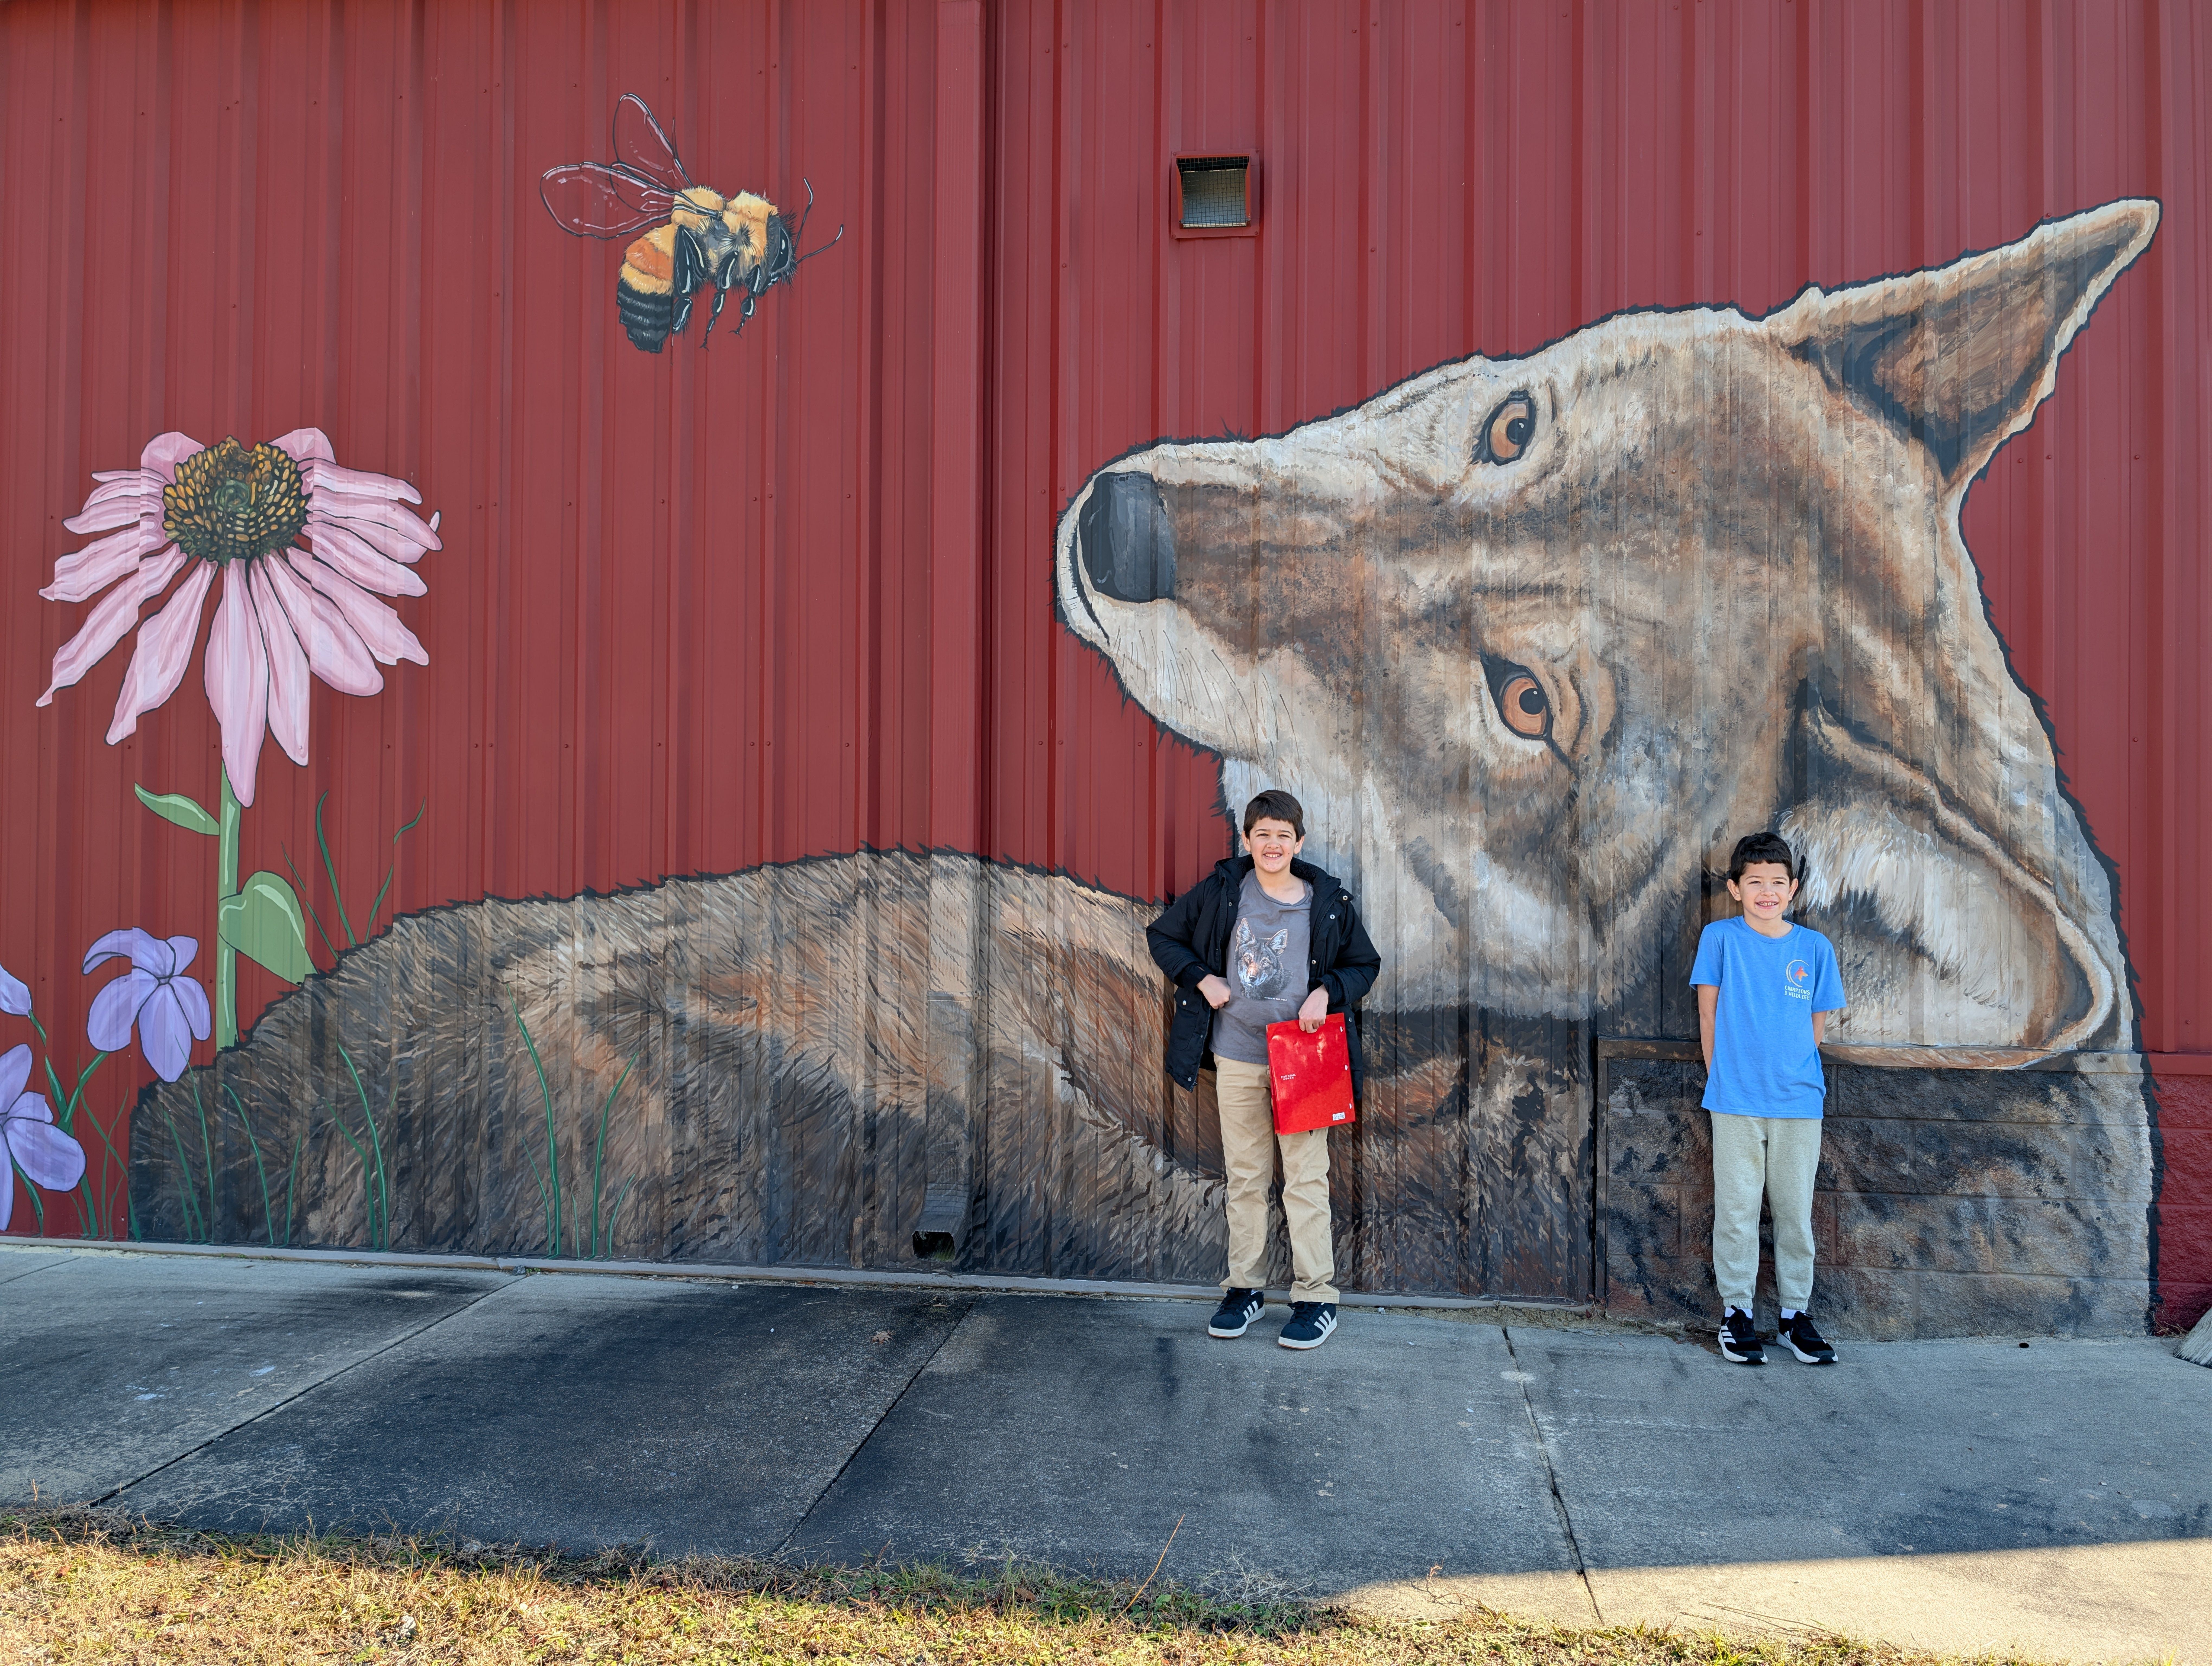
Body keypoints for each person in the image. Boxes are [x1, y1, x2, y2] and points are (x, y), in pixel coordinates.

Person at [1147, 789, 1381, 1350]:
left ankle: (1315, 1296)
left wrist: (1328, 991)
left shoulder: (1325, 901)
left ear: (1299, 843)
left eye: (1283, 836)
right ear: (1246, 840)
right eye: (1262, 835)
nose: (1272, 845)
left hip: (1304, 1061)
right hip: (1237, 1054)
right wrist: (1204, 980)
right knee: (1247, 1177)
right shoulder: (1225, 892)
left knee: (1304, 1179)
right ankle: (1245, 1289)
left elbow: (1364, 965)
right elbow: (1164, 936)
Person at [1691, 831, 1847, 1366]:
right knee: (1735, 1212)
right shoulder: (1720, 940)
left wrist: (1786, 1074)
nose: (1766, 892)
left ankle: (1793, 1317)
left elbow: (1816, 1028)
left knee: (1794, 1214)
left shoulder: (1814, 949)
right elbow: (1708, 1015)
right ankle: (1736, 1313)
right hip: (1735, 1099)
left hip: (1798, 1103)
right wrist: (1725, 1079)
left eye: (1777, 883)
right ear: (1735, 888)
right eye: (1754, 882)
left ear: (1793, 889)